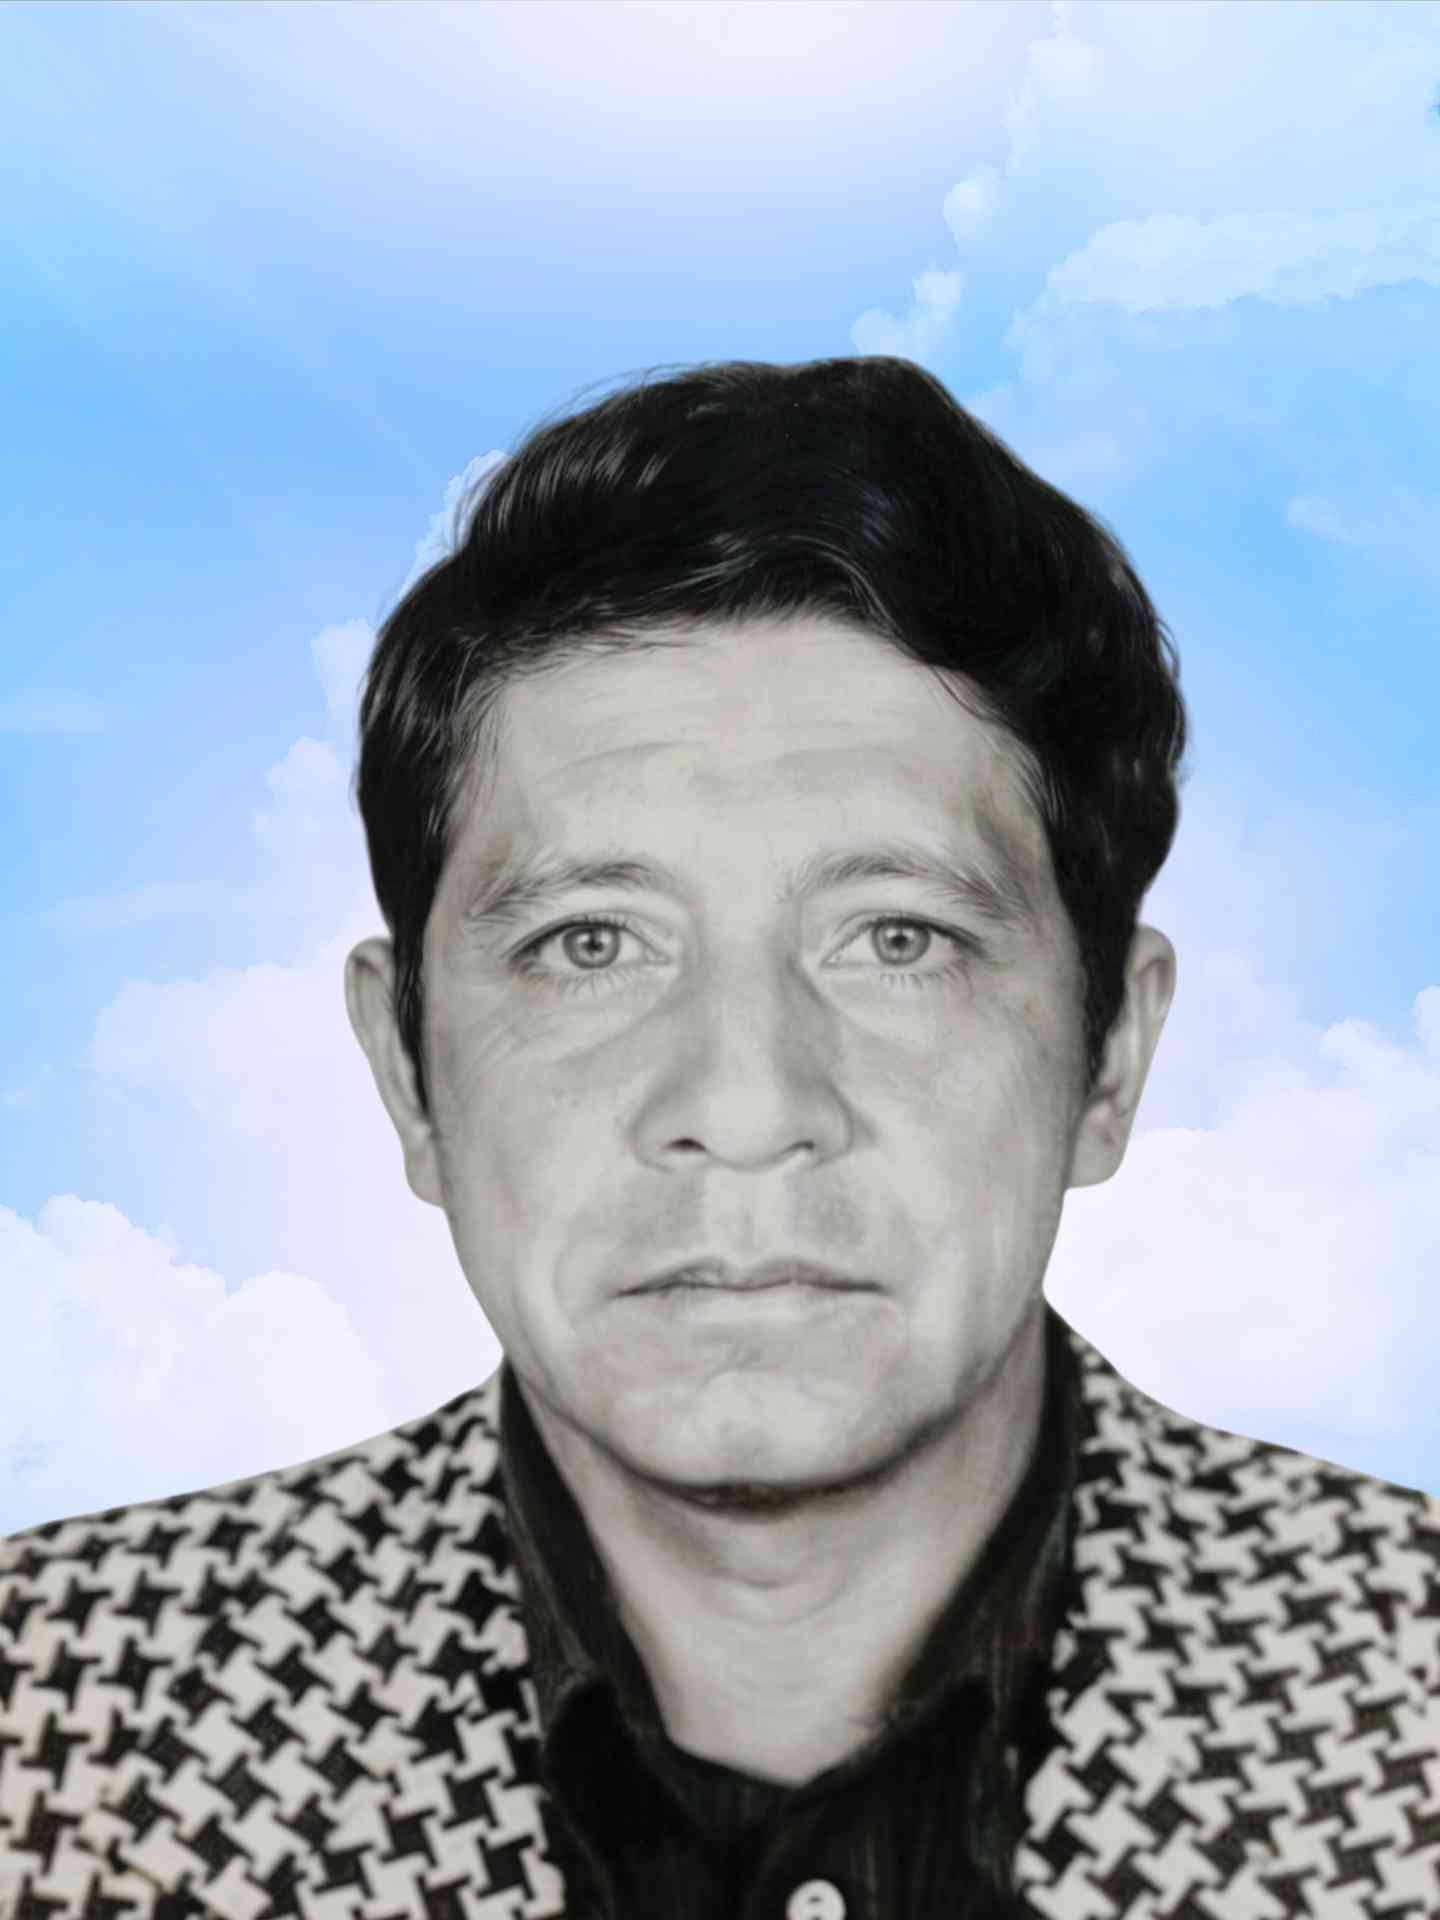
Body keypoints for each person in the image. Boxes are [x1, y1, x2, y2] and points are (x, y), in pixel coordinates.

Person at [2, 358, 1435, 1920]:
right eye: (591, 944)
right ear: (407, 1072)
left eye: (897, 938)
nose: (746, 1110)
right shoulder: (53, 1721)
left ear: (1113, 1055)